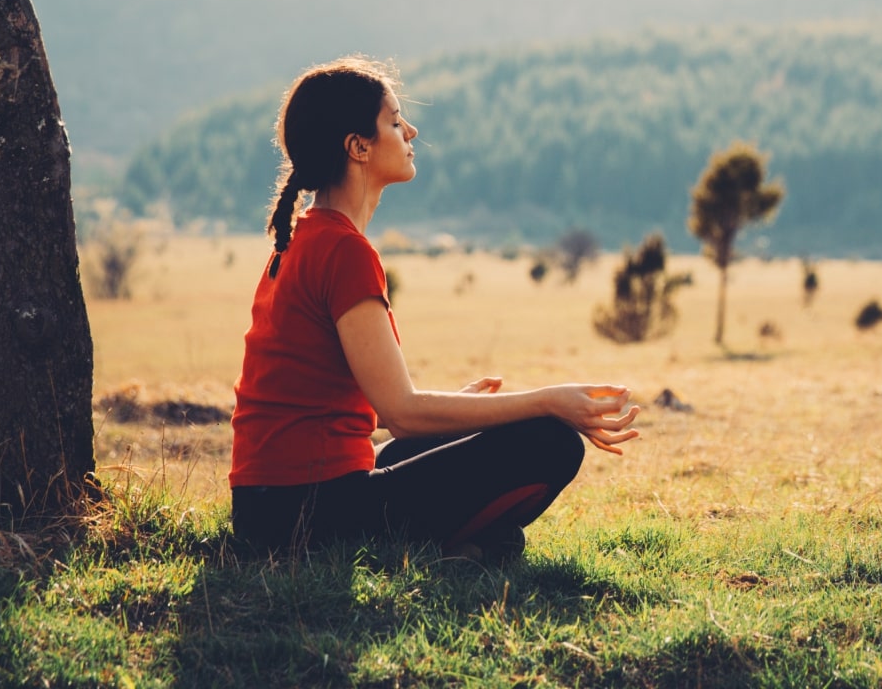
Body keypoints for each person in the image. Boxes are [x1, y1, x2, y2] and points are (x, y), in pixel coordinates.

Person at [229, 57, 639, 562]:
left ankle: (458, 546)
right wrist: (548, 401)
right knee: (550, 442)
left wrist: (457, 413)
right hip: (312, 515)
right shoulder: (342, 250)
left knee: (460, 477)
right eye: (396, 121)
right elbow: (402, 412)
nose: (412, 131)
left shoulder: (302, 242)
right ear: (358, 147)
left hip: (268, 508)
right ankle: (448, 547)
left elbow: (352, 411)